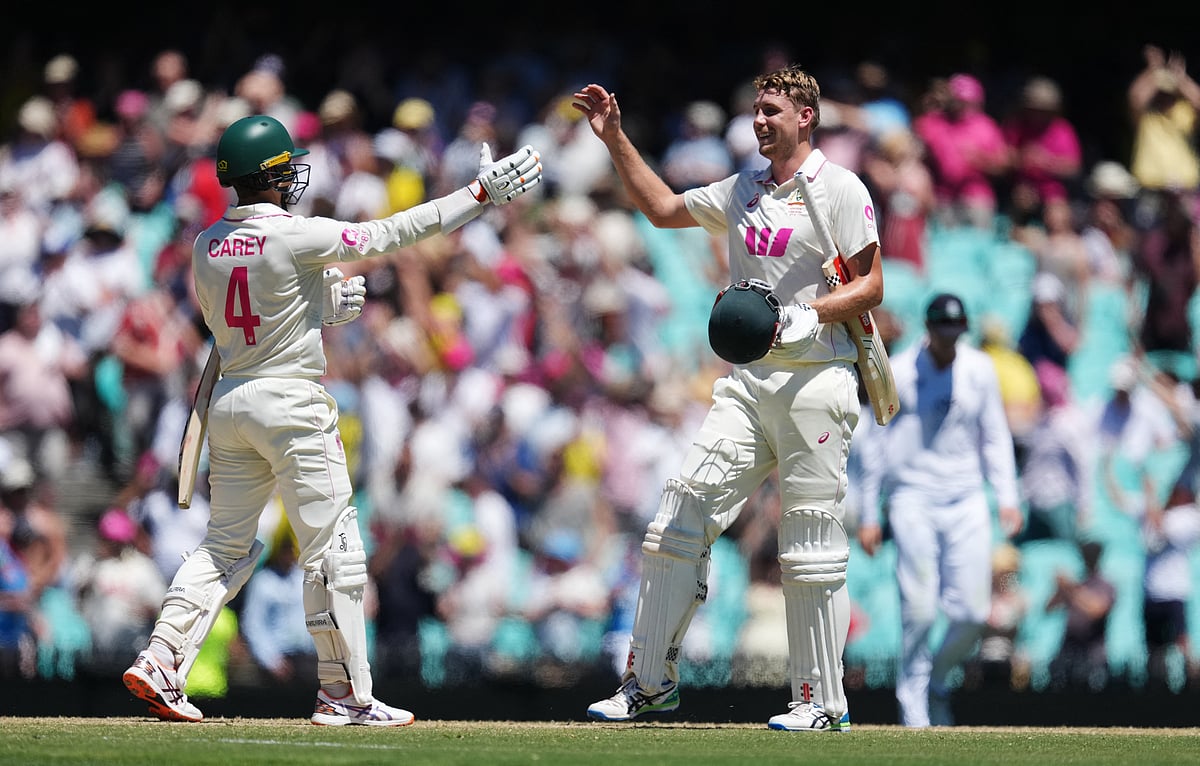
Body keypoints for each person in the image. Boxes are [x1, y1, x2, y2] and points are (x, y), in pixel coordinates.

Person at [121, 113, 542, 725]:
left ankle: (162, 658)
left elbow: (238, 323)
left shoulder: (204, 244)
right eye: (285, 167)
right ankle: (343, 694)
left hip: (231, 403)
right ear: (267, 175)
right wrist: (478, 196)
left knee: (223, 546)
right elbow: (391, 233)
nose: (293, 175)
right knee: (334, 547)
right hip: (290, 403)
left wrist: (317, 305)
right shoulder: (294, 235)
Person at [573, 63, 885, 732]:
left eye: (773, 109)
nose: (760, 119)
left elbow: (871, 286)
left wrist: (811, 315)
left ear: (807, 116)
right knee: (679, 515)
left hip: (816, 378)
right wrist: (614, 137)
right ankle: (648, 683)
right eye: (756, 109)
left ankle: (820, 702)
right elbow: (661, 210)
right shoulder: (743, 186)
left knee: (809, 547)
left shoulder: (838, 188)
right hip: (747, 384)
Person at [856, 293, 1023, 727]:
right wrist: (871, 513)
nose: (949, 341)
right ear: (928, 330)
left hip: (966, 498)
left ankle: (936, 677)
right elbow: (875, 443)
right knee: (920, 608)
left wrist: (1007, 495)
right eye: (942, 332)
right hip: (911, 496)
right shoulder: (901, 371)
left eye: (955, 333)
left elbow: (995, 435)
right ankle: (912, 702)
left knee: (970, 613)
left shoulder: (979, 369)